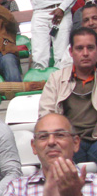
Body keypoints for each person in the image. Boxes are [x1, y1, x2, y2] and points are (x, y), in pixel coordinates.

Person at [38, 27, 97, 164]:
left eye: (90, 48)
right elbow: (46, 115)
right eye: (79, 48)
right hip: (68, 139)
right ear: (71, 52)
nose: (85, 53)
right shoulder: (57, 79)